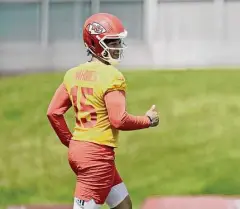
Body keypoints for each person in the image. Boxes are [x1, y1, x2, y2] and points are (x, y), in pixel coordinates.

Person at [47, 13, 159, 209]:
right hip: (97, 155)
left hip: (82, 151)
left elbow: (53, 112)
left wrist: (72, 142)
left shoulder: (72, 74)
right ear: (95, 43)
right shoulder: (112, 76)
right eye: (112, 42)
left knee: (123, 205)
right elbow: (119, 120)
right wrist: (148, 120)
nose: (117, 47)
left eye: (118, 42)